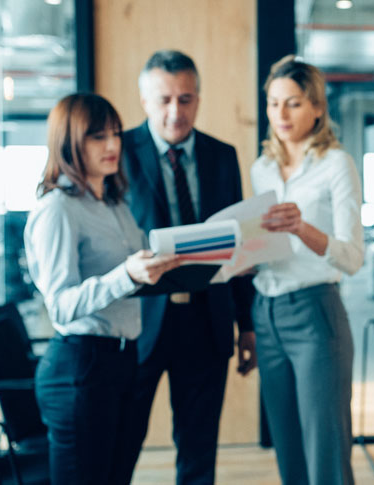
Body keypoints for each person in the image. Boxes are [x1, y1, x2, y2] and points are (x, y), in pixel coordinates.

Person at [115, 50, 257, 485]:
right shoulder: (117, 152)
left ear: (198, 99)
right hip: (140, 323)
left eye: (186, 98)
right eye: (164, 100)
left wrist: (245, 325)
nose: (175, 112)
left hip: (206, 319)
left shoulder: (222, 156)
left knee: (198, 451)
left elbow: (237, 247)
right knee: (121, 443)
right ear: (144, 100)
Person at [25, 93, 181, 485]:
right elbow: (59, 305)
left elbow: (131, 272)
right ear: (70, 142)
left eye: (115, 134)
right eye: (98, 137)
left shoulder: (113, 202)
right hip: (81, 367)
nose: (113, 145)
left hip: (123, 361)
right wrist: (127, 275)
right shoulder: (58, 208)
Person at [250, 55, 363, 485]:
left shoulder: (337, 164)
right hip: (266, 312)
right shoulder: (260, 169)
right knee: (289, 452)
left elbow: (353, 257)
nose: (280, 114)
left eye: (293, 103)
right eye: (273, 103)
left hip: (315, 312)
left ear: (317, 107)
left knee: (326, 453)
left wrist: (301, 227)